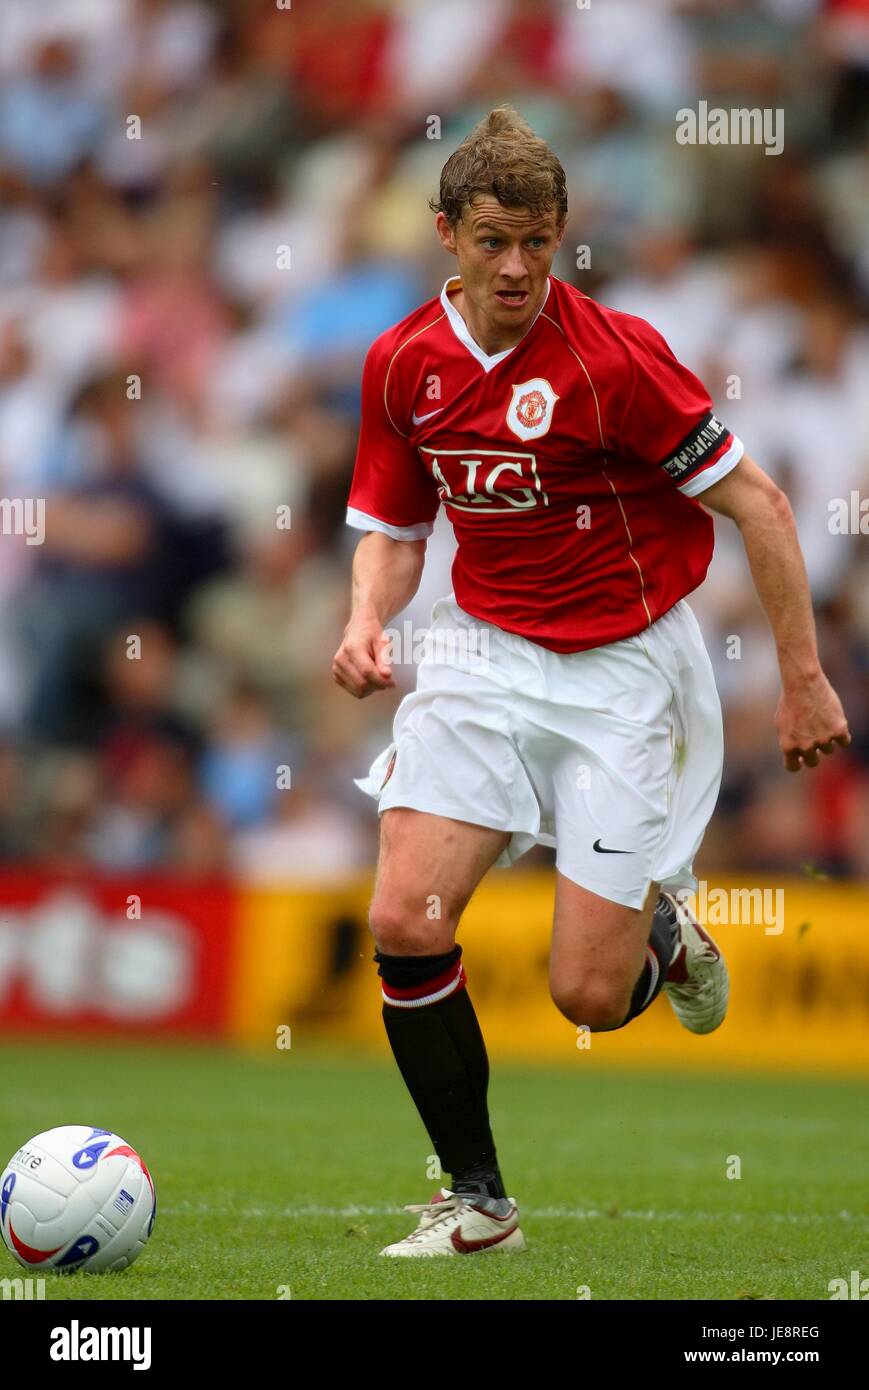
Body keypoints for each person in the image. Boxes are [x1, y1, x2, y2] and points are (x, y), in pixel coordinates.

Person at [332, 106, 850, 1258]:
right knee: (403, 919)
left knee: (584, 995)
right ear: (444, 236)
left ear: (562, 232)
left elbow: (757, 503)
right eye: (491, 241)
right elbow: (394, 524)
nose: (516, 266)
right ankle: (478, 1203)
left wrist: (803, 681)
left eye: (536, 240)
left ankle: (660, 938)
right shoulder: (403, 362)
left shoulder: (615, 360)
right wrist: (367, 618)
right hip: (478, 650)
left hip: (623, 669)